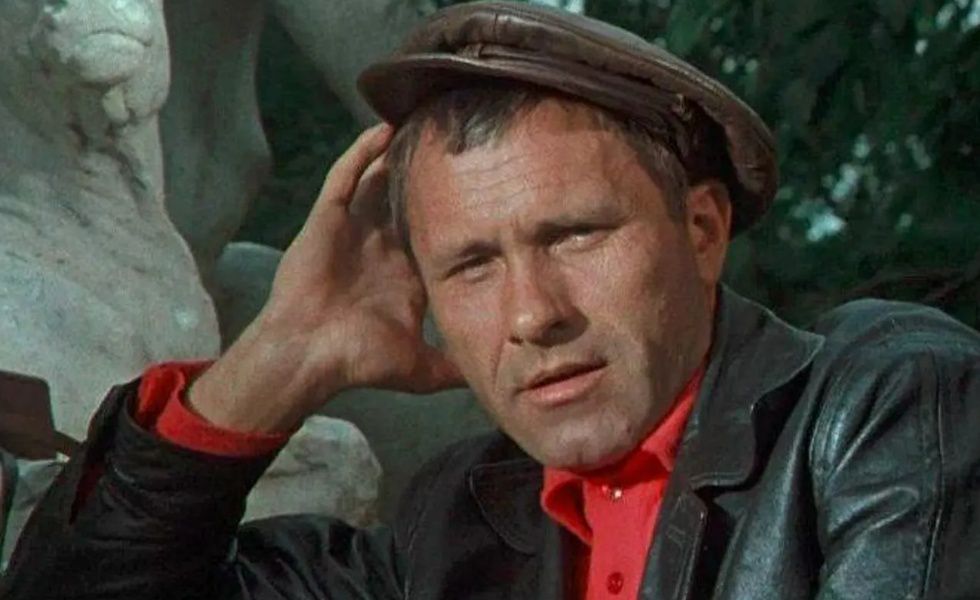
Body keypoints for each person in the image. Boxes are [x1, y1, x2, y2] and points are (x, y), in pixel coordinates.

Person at [2, 2, 979, 599]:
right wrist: (284, 354)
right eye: (470, 265)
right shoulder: (454, 527)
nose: (532, 313)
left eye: (574, 235)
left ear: (701, 229)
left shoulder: (880, 403)